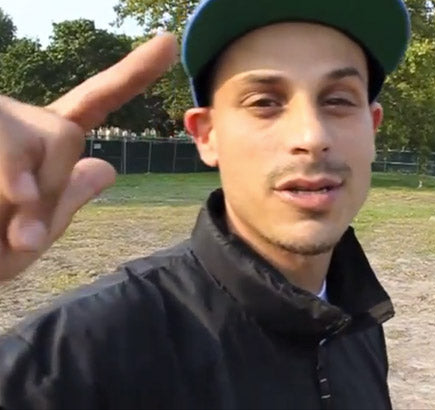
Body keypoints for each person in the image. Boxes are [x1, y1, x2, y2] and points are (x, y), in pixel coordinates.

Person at [0, 0, 411, 408]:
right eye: (264, 102)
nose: (311, 135)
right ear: (206, 135)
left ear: (372, 128)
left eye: (338, 101)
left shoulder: (357, 324)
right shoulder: (78, 356)